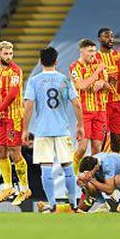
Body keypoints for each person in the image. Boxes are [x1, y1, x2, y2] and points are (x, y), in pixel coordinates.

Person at [22, 46, 84, 213]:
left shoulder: (34, 81)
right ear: (56, 61)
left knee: (46, 170)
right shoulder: (64, 80)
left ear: (40, 61)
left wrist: (25, 129)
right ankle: (72, 205)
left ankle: (53, 205)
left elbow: (28, 107)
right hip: (62, 130)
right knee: (68, 168)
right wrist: (80, 125)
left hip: (42, 131)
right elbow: (77, 104)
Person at [0, 41, 31, 205]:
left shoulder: (15, 71)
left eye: (11, 54)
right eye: (5, 53)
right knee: (0, 151)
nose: (8, 56)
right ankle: (7, 187)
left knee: (15, 151)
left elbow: (12, 94)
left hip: (13, 117)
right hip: (0, 117)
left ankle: (25, 188)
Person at [70, 39, 110, 173]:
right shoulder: (75, 67)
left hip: (100, 111)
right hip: (85, 111)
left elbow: (108, 86)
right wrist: (97, 73)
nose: (93, 54)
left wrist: (103, 83)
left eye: (94, 50)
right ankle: (73, 174)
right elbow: (81, 85)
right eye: (90, 51)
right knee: (82, 148)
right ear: (82, 51)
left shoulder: (99, 64)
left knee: (97, 149)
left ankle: (92, 179)